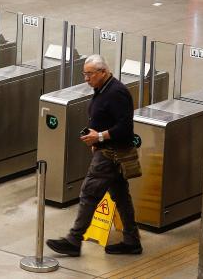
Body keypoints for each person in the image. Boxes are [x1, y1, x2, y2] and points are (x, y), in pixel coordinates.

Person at [46, 54, 143, 257]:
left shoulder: (117, 93)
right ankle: (132, 241)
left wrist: (99, 136)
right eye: (84, 74)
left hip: (111, 154)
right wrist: (95, 138)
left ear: (103, 72)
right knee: (121, 197)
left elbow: (125, 127)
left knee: (89, 194)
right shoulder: (102, 89)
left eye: (89, 74)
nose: (86, 78)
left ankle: (74, 240)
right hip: (106, 150)